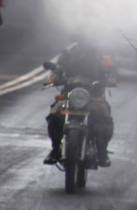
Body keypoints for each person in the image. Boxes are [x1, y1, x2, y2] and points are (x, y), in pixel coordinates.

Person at [43, 39, 115, 167]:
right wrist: (52, 78)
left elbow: (109, 70)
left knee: (103, 117)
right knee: (55, 114)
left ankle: (102, 152)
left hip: (93, 95)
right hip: (69, 96)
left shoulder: (101, 54)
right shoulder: (68, 53)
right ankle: (55, 150)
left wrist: (110, 78)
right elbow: (58, 68)